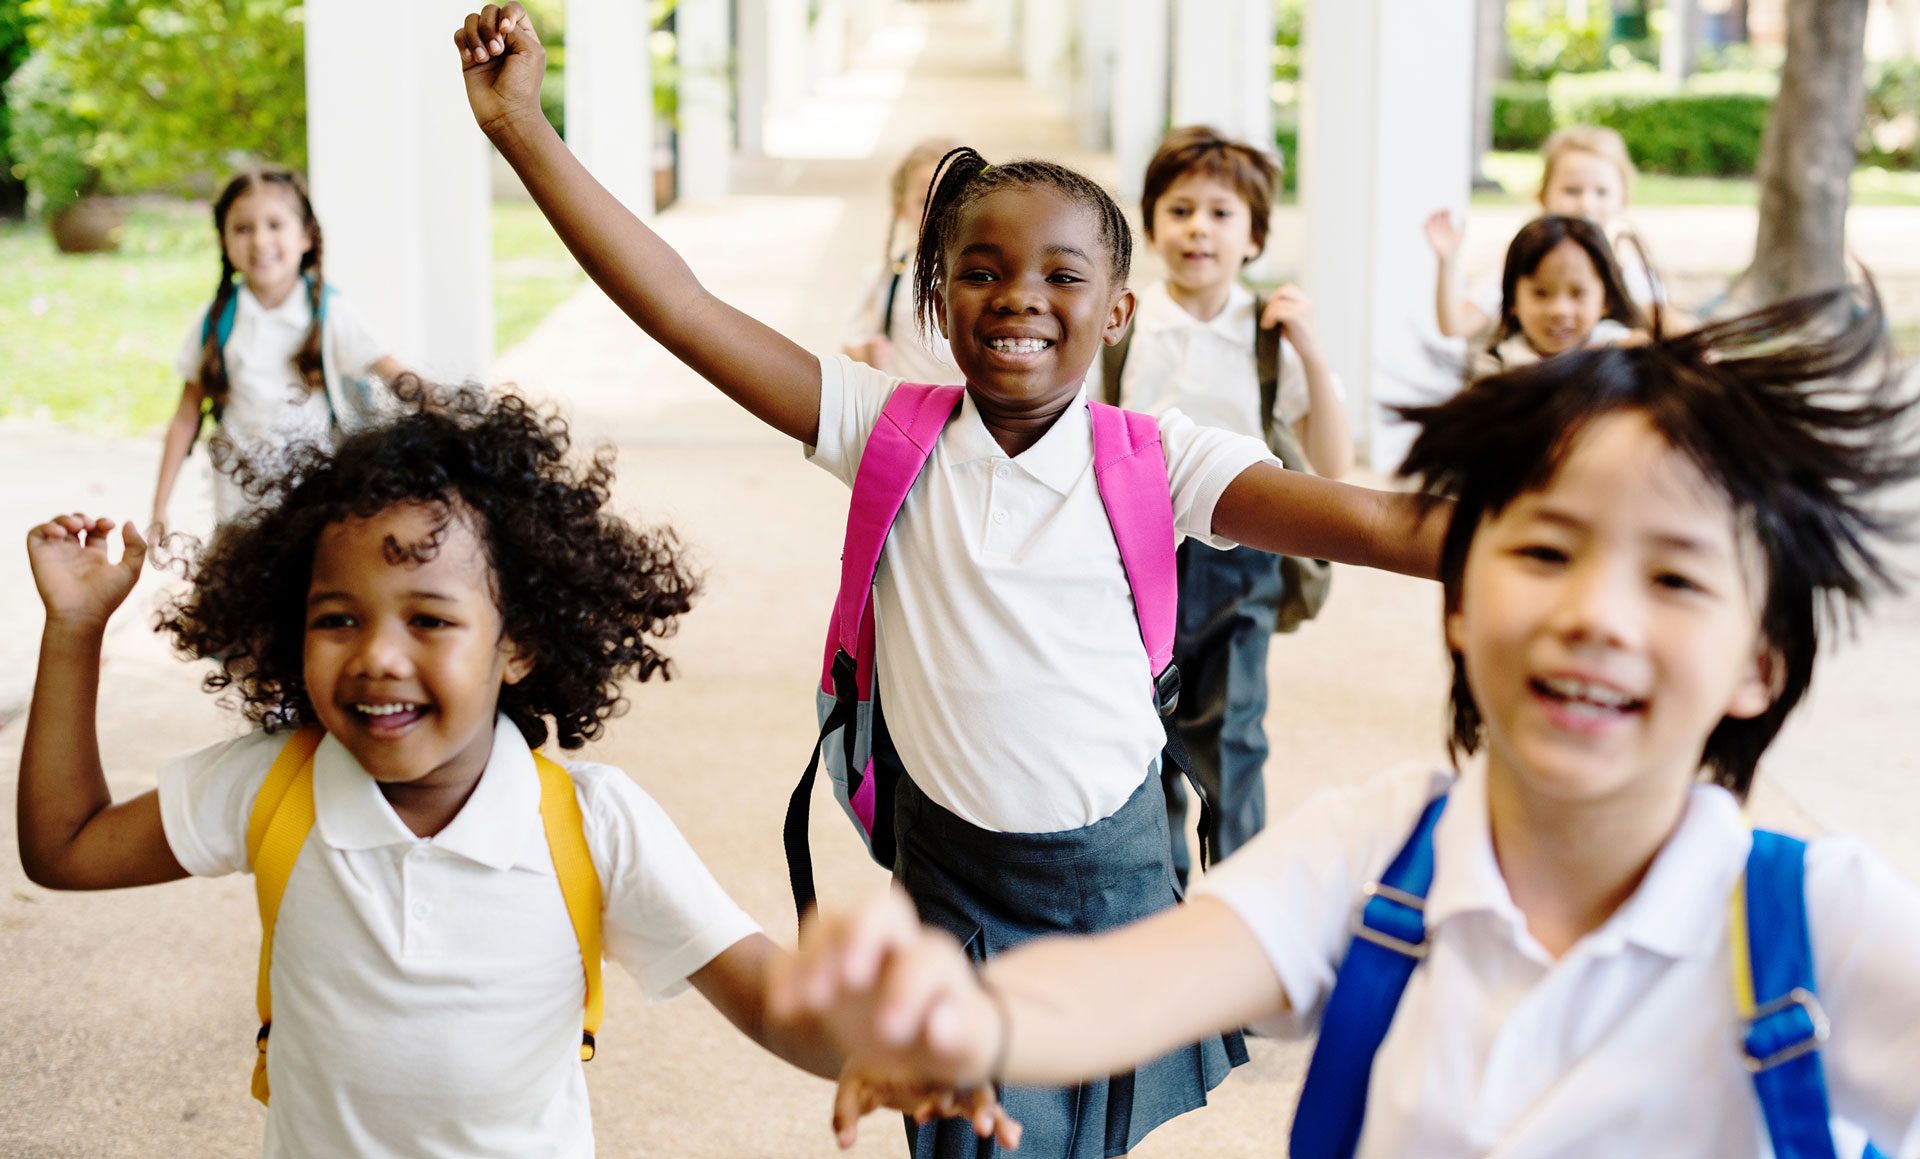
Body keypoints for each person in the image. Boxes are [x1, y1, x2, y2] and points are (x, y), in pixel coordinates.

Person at [454, 7, 1442, 1155]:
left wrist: (1591, 536)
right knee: (969, 1135)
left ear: (1117, 311)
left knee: (1081, 1136)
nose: (1019, 294)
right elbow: (681, 307)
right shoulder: (884, 428)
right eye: (982, 270)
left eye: (1061, 274)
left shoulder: (1158, 455)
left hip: (1113, 878)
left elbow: (1375, 521)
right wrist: (523, 126)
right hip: (953, 884)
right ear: (938, 299)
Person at [775, 284, 1920, 1157]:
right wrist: (963, 1017)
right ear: (1460, 597)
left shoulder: (1826, 928)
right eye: (1546, 551)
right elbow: (1124, 983)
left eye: (1674, 579)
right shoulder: (1379, 856)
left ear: (1760, 662)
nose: (1596, 616)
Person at [19, 381, 1012, 1156]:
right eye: (337, 618)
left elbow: (762, 993)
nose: (377, 655)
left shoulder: (590, 824)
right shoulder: (273, 787)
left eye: (431, 619)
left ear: (520, 641)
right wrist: (72, 629)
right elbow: (63, 847)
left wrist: (878, 1051)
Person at [1113, 125, 1353, 883]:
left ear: (1254, 237)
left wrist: (1310, 349)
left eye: (1221, 214)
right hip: (1135, 556)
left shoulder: (1267, 334)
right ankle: (1159, 902)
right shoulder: (1119, 324)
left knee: (1232, 736)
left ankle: (1244, 909)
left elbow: (1334, 464)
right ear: (1151, 226)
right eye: (1180, 210)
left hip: (1242, 562)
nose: (1198, 229)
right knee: (1139, 735)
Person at [150, 168, 406, 532]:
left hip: (315, 502)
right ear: (223, 241)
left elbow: (395, 374)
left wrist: (454, 412)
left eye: (274, 225)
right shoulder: (217, 321)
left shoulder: (331, 315)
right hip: (238, 507)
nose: (259, 240)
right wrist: (160, 507)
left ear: (306, 236)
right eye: (242, 228)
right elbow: (186, 415)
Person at [1427, 124, 1658, 341]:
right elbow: (1456, 325)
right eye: (1572, 190)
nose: (1586, 203)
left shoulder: (1629, 273)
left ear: (1623, 200)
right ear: (1542, 196)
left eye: (1601, 192)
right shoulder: (1524, 265)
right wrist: (1446, 260)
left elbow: (1663, 321)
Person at [842, 136, 965, 384]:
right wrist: (867, 353)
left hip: (973, 413)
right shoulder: (886, 277)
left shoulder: (990, 273)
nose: (939, 210)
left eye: (951, 197)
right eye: (923, 201)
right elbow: (850, 346)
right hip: (910, 414)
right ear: (901, 207)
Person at [1471, 214, 1645, 378]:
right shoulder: (1498, 365)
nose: (1559, 310)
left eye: (1578, 293)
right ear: (1512, 300)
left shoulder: (1615, 346)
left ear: (1606, 300)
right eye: (1541, 293)